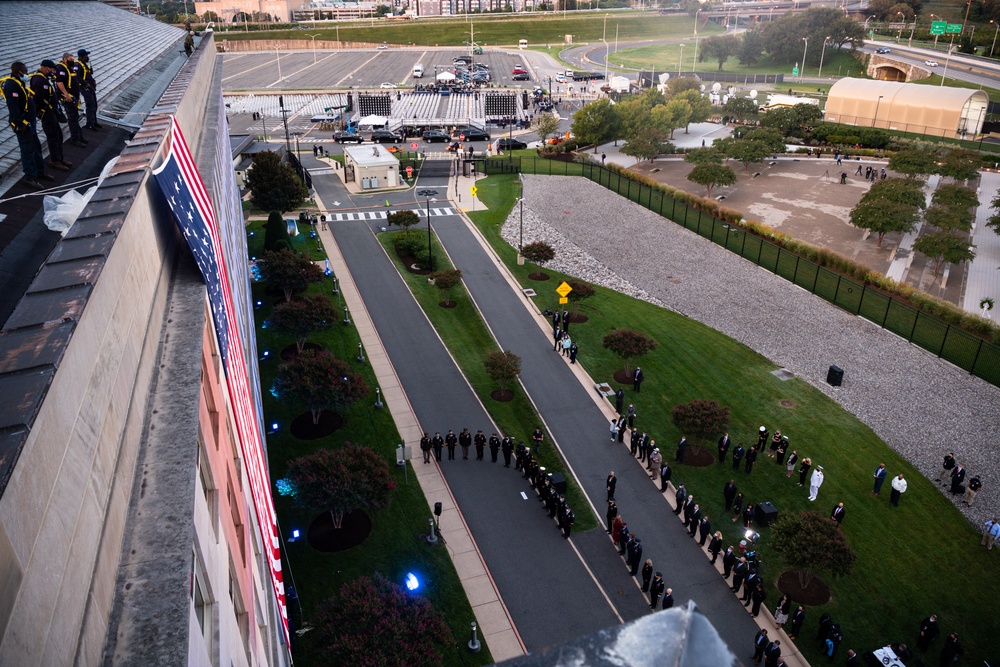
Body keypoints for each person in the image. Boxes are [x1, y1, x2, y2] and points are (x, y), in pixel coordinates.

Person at [2, 62, 50, 188]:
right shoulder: (11, 85)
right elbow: (14, 107)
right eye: (25, 71)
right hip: (23, 124)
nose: (27, 73)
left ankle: (40, 171)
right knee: (27, 150)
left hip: (30, 122)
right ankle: (30, 177)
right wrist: (20, 124)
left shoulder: (19, 82)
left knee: (36, 147)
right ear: (19, 72)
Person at [29, 60, 70, 172]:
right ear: (46, 68)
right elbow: (38, 99)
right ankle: (55, 160)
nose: (53, 72)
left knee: (58, 135)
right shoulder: (39, 80)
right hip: (46, 113)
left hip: (51, 111)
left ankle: (59, 158)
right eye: (52, 70)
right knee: (52, 136)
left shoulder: (44, 79)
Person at [54, 52, 86, 146]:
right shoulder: (61, 68)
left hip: (74, 97)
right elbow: (59, 82)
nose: (73, 61)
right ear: (65, 59)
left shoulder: (69, 68)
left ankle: (79, 136)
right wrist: (66, 94)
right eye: (71, 60)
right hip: (68, 98)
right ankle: (75, 139)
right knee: (72, 118)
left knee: (75, 117)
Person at [76, 49, 100, 130]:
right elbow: (77, 77)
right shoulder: (77, 65)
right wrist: (86, 84)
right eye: (86, 56)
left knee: (94, 105)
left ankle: (94, 122)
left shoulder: (85, 64)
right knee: (90, 105)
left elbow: (88, 74)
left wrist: (93, 81)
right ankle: (89, 124)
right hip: (85, 88)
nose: (87, 57)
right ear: (82, 57)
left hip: (91, 87)